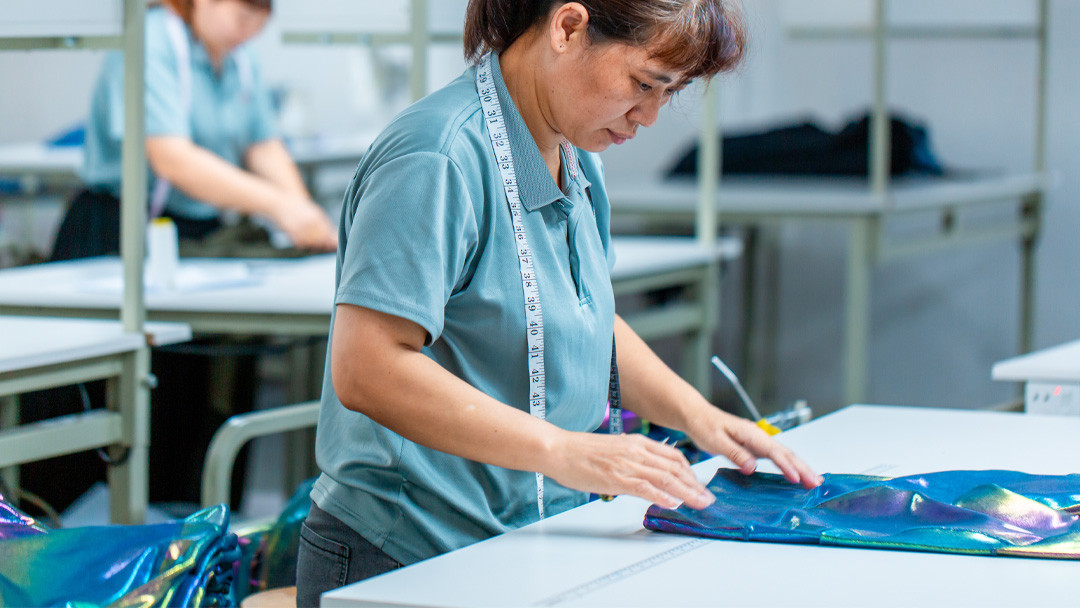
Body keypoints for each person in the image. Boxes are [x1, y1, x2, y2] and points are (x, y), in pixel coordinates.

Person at [296, 0, 821, 602]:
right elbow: (368, 367)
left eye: (666, 94)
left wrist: (700, 416)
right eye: (644, 84)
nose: (648, 115)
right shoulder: (437, 156)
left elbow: (586, 314)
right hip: (405, 551)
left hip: (518, 538)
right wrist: (568, 452)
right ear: (568, 28)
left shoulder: (574, 159)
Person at [52, 0, 336, 259]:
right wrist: (279, 206)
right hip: (119, 225)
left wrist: (305, 212)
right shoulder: (148, 40)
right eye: (243, 18)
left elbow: (262, 145)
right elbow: (172, 159)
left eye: (260, 23)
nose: (250, 32)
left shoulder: (241, 58)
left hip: (200, 227)